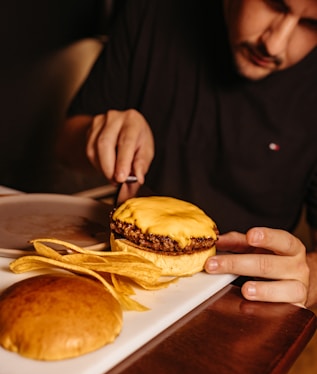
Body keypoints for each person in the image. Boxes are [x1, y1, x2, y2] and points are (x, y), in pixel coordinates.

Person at [56, 0, 317, 308]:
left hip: (246, 303)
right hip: (124, 284)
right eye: (274, 4)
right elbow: (65, 146)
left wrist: (307, 277)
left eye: (311, 24)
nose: (275, 43)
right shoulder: (150, 12)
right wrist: (98, 134)